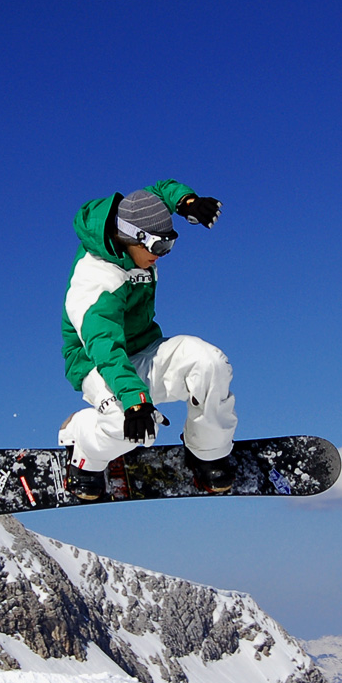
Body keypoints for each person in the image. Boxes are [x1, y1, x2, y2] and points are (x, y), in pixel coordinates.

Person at [58, 179, 238, 499]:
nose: (163, 255)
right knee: (133, 428)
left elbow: (157, 194)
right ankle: (84, 445)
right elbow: (105, 347)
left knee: (210, 363)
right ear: (133, 238)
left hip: (145, 349)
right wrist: (134, 400)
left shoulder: (133, 218)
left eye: (169, 245)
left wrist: (186, 202)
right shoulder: (96, 280)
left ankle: (207, 451)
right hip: (99, 363)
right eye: (158, 248)